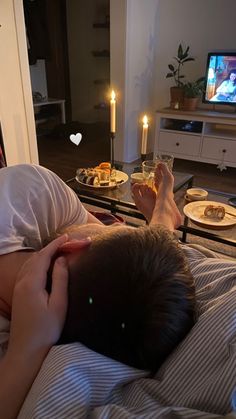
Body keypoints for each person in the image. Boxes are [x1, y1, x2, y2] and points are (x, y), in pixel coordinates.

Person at [0, 163, 195, 417]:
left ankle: (162, 222)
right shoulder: (35, 192)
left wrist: (26, 349)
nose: (112, 228)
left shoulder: (33, 189)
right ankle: (162, 220)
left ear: (69, 248)